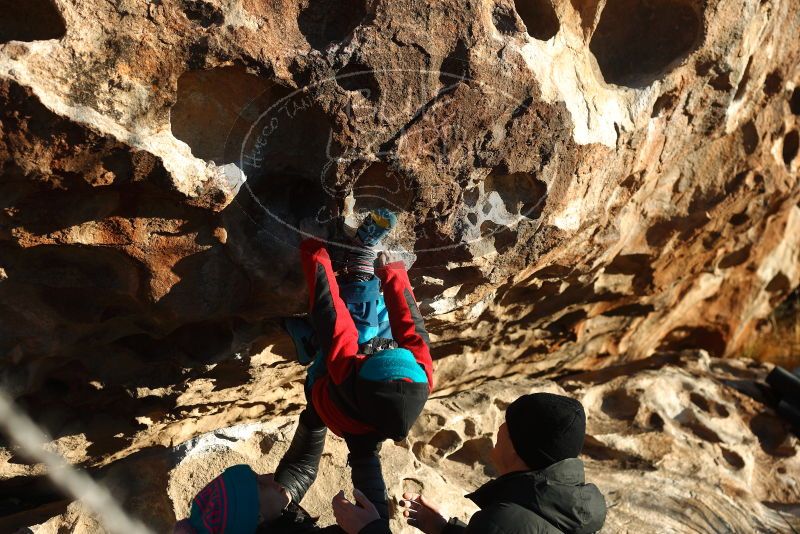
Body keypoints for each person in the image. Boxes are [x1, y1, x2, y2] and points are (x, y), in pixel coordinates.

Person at [276, 208, 434, 531]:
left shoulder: (348, 370)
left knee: (362, 329)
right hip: (354, 413)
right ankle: (306, 339)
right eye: (388, 350)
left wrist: (315, 250)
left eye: (375, 354)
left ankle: (357, 258)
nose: (380, 348)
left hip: (325, 390)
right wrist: (392, 271)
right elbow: (412, 326)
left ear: (363, 367)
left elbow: (329, 311)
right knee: (386, 324)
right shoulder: (422, 375)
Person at [336, 392, 607, 534]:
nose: (496, 436)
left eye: (504, 431)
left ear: (516, 448)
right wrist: (444, 529)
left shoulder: (505, 520)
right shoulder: (568, 514)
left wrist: (370, 530)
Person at [172, 464, 342, 533]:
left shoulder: (275, 518)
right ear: (256, 516)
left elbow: (299, 470)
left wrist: (311, 420)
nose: (270, 477)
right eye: (260, 484)